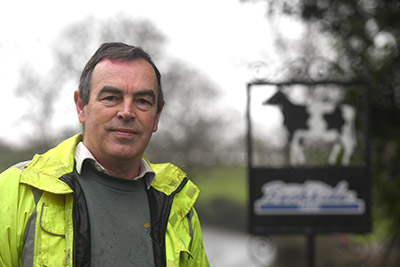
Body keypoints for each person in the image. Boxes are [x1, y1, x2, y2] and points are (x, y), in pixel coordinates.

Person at [0, 42, 209, 267]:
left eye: (142, 101)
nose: (127, 112)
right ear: (81, 106)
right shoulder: (17, 189)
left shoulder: (179, 206)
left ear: (157, 116)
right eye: (111, 97)